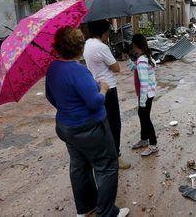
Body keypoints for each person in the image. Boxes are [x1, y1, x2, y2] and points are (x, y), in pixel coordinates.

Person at [45, 26, 129, 217]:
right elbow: (94, 102)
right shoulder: (78, 71)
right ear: (79, 47)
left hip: (66, 127)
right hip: (89, 128)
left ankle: (85, 208)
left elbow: (51, 96)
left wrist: (69, 108)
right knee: (107, 167)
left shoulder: (52, 68)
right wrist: (104, 88)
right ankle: (107, 213)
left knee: (79, 166)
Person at [83, 19, 131, 169]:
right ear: (103, 32)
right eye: (108, 31)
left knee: (102, 123)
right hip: (108, 88)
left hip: (95, 86)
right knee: (114, 124)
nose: (109, 34)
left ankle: (103, 154)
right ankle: (115, 156)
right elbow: (116, 68)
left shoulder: (87, 44)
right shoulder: (102, 47)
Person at [127, 34, 158, 156]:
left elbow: (144, 83)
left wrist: (142, 101)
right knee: (142, 115)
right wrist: (129, 61)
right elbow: (137, 69)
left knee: (146, 118)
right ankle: (144, 139)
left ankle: (153, 144)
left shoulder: (142, 61)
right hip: (147, 94)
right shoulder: (145, 57)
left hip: (145, 94)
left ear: (135, 45)